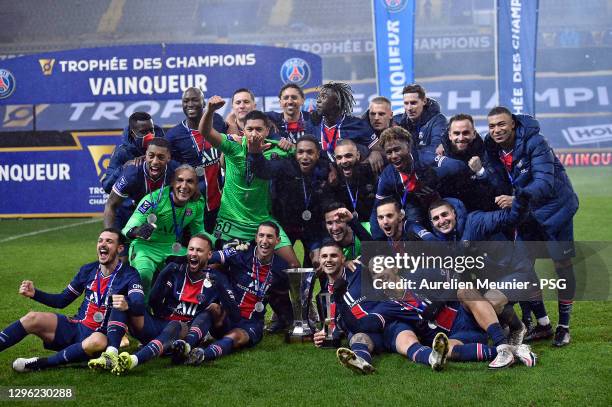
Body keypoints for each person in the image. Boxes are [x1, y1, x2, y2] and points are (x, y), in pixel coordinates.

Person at [479, 106, 579, 346]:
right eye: (492, 126)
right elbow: (497, 179)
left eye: (501, 124)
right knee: (523, 267)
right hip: (526, 214)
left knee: (562, 266)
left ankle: (564, 326)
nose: (496, 130)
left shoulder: (536, 142)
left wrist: (517, 199)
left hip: (555, 211)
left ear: (513, 124)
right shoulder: (491, 147)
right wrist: (482, 173)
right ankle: (543, 324)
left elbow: (545, 183)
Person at [0, 229, 144, 372]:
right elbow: (62, 301)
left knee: (96, 341)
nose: (103, 244)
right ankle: (71, 352)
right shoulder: (88, 270)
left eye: (109, 241)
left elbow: (139, 305)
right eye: (100, 240)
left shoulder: (130, 275)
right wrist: (35, 293)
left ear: (120, 248)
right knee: (32, 318)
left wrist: (128, 304)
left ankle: (41, 363)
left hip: (102, 337)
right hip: (77, 327)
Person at [89, 234, 229, 375]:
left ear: (209, 254)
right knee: (123, 302)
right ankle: (110, 354)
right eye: (191, 249)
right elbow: (154, 301)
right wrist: (164, 273)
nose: (193, 253)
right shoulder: (175, 272)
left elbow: (225, 319)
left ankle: (135, 360)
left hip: (181, 336)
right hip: (158, 326)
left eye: (199, 250)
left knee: (175, 324)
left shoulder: (217, 280)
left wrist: (215, 313)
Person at [198, 96, 300, 268]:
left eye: (259, 129)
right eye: (250, 129)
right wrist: (209, 110)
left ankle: (287, 295)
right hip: (231, 222)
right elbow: (206, 132)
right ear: (243, 130)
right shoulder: (233, 146)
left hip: (262, 221)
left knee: (293, 265)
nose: (254, 134)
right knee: (217, 266)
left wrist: (289, 145)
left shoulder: (277, 150)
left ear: (267, 130)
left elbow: (306, 154)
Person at [186, 222, 290, 364]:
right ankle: (186, 345)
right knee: (213, 308)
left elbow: (280, 297)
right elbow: (209, 257)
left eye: (270, 237)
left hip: (251, 323)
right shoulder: (241, 253)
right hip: (226, 317)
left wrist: (288, 321)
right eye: (261, 236)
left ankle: (203, 355)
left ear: (277, 240)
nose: (264, 241)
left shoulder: (281, 268)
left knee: (235, 336)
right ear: (256, 237)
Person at [122, 164, 206, 297]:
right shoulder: (154, 199)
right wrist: (137, 231)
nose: (184, 186)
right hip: (145, 247)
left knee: (198, 269)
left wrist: (219, 243)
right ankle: (141, 313)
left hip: (172, 248)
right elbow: (126, 229)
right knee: (144, 274)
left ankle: (176, 312)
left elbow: (199, 234)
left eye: (190, 181)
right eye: (180, 180)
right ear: (172, 182)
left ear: (196, 185)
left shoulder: (197, 203)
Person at [165, 87, 228, 233]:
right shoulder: (174, 136)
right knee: (194, 251)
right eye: (186, 101)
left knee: (217, 248)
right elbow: (165, 164)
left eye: (194, 100)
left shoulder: (217, 121)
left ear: (203, 102)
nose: (190, 104)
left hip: (220, 205)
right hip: (192, 207)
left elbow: (230, 135)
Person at [103, 138, 178, 229]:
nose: (155, 162)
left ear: (169, 158)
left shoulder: (176, 171)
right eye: (151, 156)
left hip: (159, 217)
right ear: (145, 155)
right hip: (128, 214)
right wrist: (109, 232)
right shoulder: (132, 173)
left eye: (161, 157)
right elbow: (111, 204)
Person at [436, 114, 497, 211]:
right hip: (445, 214)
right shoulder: (438, 154)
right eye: (456, 133)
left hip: (477, 213)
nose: (461, 138)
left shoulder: (486, 154)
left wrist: (480, 172)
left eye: (466, 133)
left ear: (474, 134)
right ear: (450, 135)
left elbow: (496, 190)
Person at [101, 112, 166, 193]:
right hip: (131, 203)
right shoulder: (122, 153)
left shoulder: (164, 147)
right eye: (144, 132)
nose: (150, 135)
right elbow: (107, 186)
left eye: (151, 130)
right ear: (133, 134)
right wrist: (124, 168)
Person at [310, 82, 376, 162]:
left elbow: (380, 150)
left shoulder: (358, 124)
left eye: (324, 97)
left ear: (337, 102)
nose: (318, 101)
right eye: (318, 97)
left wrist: (375, 153)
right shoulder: (312, 126)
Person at [393, 84, 447, 167]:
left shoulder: (438, 120)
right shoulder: (397, 121)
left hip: (430, 168)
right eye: (406, 103)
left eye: (413, 103)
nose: (409, 108)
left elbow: (435, 149)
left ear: (424, 101)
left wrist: (406, 155)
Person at [324, 139, 378, 223]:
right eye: (339, 157)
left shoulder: (371, 173)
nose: (344, 161)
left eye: (348, 156)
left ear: (358, 155)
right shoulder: (332, 179)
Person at [363, 96, 394, 173]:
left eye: (381, 114)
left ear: (391, 115)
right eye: (372, 114)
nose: (376, 118)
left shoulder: (400, 132)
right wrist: (369, 153)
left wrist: (378, 152)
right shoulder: (358, 131)